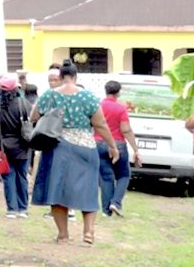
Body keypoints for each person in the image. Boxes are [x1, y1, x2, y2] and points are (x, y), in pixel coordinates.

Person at [31, 59, 118, 246]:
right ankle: (89, 231)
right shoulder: (88, 97)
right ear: (76, 77)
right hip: (85, 147)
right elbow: (100, 124)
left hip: (57, 147)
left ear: (61, 76)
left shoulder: (50, 95)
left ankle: (63, 235)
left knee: (58, 191)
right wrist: (112, 145)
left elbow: (34, 116)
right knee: (89, 189)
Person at [96, 80, 141, 217]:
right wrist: (135, 149)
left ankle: (106, 211)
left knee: (106, 177)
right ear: (118, 92)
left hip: (99, 143)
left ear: (106, 91)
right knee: (123, 175)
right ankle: (115, 202)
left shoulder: (98, 106)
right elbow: (125, 129)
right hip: (118, 143)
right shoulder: (120, 108)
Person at [0, 76, 32, 218]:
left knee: (8, 177)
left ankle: (12, 209)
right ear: (16, 89)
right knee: (22, 176)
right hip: (22, 145)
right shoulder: (24, 104)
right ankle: (23, 208)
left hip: (3, 146)